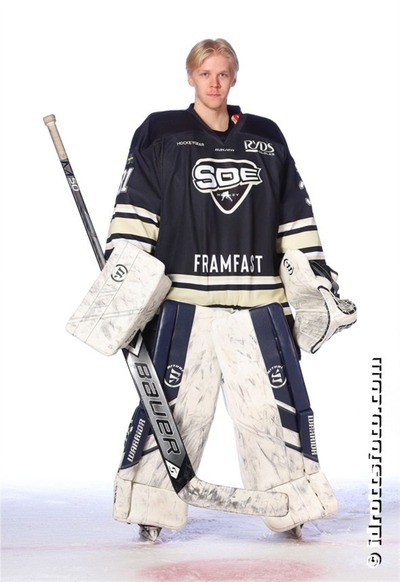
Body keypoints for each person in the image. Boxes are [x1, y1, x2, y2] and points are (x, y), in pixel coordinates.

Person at [105, 38, 352, 541]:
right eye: (205, 74)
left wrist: (316, 276)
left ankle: (292, 506)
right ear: (190, 77)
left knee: (272, 410)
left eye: (222, 74)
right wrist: (122, 274)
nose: (214, 83)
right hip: (183, 303)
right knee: (174, 410)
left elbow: (293, 215)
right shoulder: (160, 132)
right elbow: (137, 208)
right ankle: (150, 507)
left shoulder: (266, 136)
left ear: (234, 78)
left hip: (258, 304)